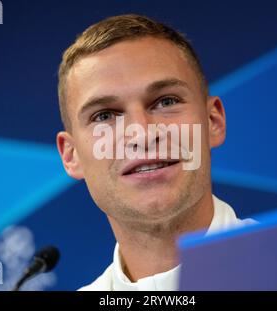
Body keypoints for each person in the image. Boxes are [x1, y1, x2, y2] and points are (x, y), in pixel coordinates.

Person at [56, 14, 247, 290]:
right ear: (71, 155)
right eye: (105, 115)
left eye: (166, 101)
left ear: (213, 122)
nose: (143, 133)